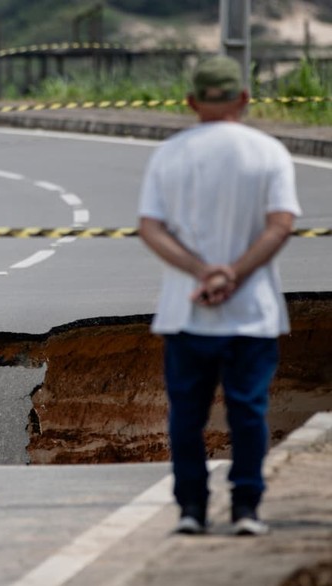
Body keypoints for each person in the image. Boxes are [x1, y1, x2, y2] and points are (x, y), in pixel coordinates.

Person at [138, 56, 300, 537]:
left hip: (185, 311)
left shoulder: (169, 153)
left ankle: (191, 509)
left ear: (191, 102)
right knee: (248, 413)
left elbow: (150, 227)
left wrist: (201, 271)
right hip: (251, 313)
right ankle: (246, 508)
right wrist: (234, 273)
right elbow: (281, 224)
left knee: (186, 416)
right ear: (244, 98)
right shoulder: (268, 152)